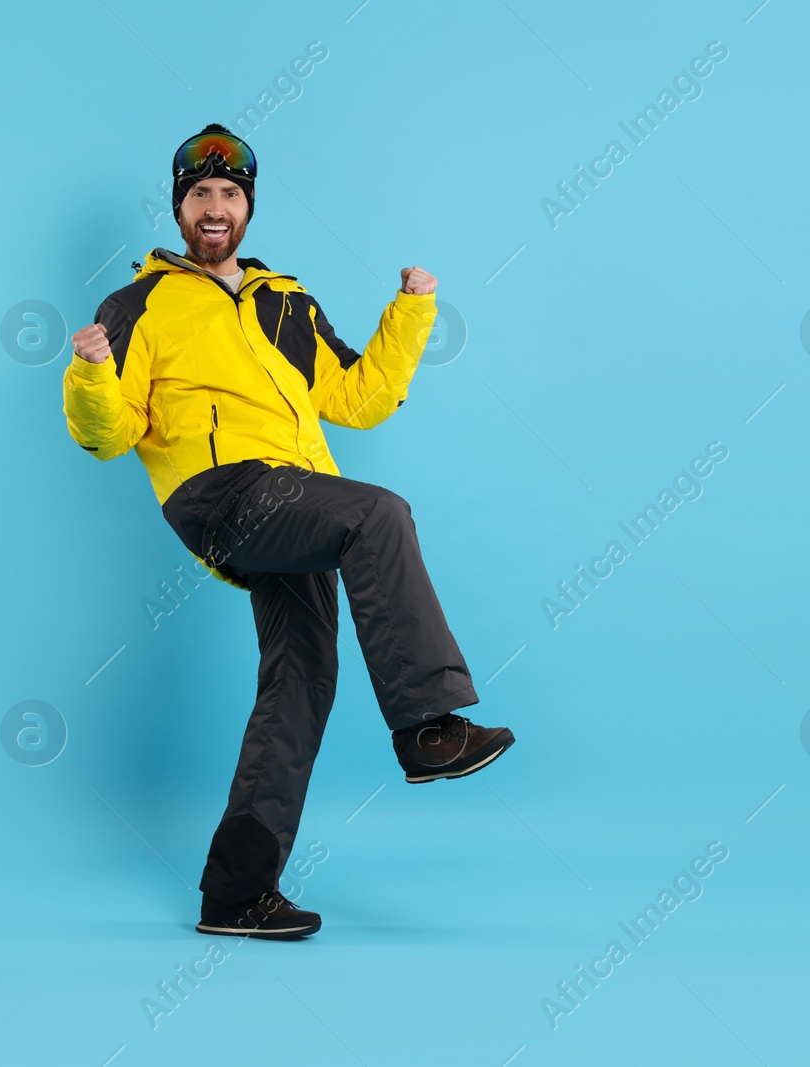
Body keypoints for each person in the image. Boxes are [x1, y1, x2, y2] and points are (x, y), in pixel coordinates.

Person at [62, 123, 515, 940]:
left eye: (229, 193)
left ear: (247, 208)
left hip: (297, 497)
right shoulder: (137, 305)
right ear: (178, 208)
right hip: (220, 493)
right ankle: (427, 726)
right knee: (378, 512)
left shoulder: (285, 301)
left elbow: (358, 397)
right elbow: (110, 433)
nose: (214, 205)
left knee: (303, 679)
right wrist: (91, 371)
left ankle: (236, 894)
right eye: (198, 192)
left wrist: (411, 313)